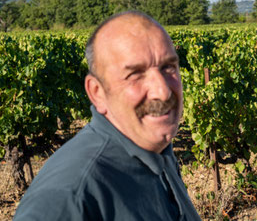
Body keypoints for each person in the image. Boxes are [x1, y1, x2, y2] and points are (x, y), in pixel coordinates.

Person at [14, 11, 201, 220]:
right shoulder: (70, 197)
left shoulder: (156, 148)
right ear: (97, 92)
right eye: (135, 74)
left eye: (168, 67)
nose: (163, 91)